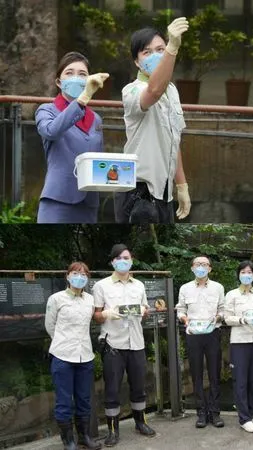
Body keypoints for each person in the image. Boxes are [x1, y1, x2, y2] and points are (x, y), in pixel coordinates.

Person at [115, 19, 191, 224]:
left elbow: (174, 140)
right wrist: (172, 48)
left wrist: (182, 185)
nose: (156, 56)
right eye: (147, 52)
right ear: (137, 62)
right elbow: (154, 90)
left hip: (164, 192)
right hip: (137, 189)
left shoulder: (173, 91)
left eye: (161, 49)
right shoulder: (132, 90)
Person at [93, 244, 155, 446]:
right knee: (112, 389)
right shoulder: (101, 286)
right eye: (119, 258)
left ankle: (141, 422)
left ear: (132, 260)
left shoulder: (139, 285)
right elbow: (96, 316)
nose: (123, 261)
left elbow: (145, 309)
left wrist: (145, 311)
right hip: (113, 344)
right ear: (112, 261)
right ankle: (112, 430)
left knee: (139, 386)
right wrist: (107, 314)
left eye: (126, 257)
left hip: (136, 343)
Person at [35, 51, 109, 223]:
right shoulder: (46, 110)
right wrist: (82, 99)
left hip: (89, 202)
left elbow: (98, 158)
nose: (76, 77)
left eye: (82, 74)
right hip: (58, 199)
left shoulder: (95, 119)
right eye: (69, 73)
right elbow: (51, 132)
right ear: (59, 82)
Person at [45, 262, 100, 450]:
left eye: (84, 274)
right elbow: (50, 326)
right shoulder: (56, 299)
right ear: (67, 276)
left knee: (84, 399)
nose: (80, 276)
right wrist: (63, 341)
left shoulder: (90, 300)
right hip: (62, 356)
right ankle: (68, 441)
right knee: (64, 400)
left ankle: (84, 436)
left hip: (85, 356)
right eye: (76, 273)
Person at [176, 255, 225, 428]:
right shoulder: (185, 288)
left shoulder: (218, 288)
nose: (201, 267)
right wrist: (184, 319)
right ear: (192, 268)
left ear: (210, 268)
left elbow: (222, 309)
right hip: (193, 333)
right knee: (196, 374)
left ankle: (215, 412)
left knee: (214, 373)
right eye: (197, 264)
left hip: (213, 333)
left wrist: (217, 317)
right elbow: (180, 309)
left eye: (204, 264)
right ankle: (201, 412)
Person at [224, 260, 253, 433]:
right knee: (240, 380)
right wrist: (243, 320)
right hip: (240, 341)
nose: (246, 275)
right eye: (243, 272)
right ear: (239, 274)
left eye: (249, 272)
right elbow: (227, 318)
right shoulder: (232, 295)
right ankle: (243, 418)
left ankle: (251, 412)